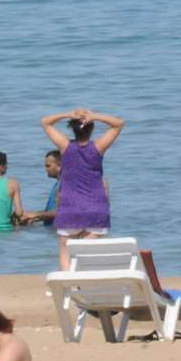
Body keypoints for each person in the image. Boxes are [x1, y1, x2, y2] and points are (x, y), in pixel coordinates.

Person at [41, 108, 124, 269]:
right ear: (91, 129)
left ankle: (70, 285)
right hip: (95, 209)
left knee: (66, 251)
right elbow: (118, 124)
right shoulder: (98, 147)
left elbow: (45, 121)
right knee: (84, 254)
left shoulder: (65, 146)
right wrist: (95, 116)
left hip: (70, 208)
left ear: (72, 129)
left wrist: (68, 114)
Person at [32, 149, 62, 227]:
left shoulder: (64, 185)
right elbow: (50, 211)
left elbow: (61, 211)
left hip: (57, 231)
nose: (46, 169)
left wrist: (35, 215)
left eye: (48, 166)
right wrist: (32, 217)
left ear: (59, 166)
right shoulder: (57, 184)